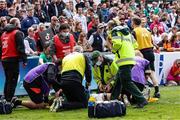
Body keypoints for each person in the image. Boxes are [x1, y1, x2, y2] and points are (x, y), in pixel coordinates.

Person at [110, 25, 148, 108]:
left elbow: (117, 44)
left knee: (126, 82)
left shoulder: (115, 32)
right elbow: (135, 45)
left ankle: (142, 99)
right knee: (118, 82)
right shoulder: (129, 34)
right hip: (130, 59)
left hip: (123, 60)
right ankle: (113, 100)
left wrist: (113, 50)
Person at [132, 17, 160, 98]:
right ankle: (157, 91)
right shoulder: (147, 30)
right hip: (150, 52)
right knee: (152, 72)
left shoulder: (134, 31)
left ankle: (144, 91)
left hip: (142, 53)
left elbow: (133, 43)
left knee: (142, 73)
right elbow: (152, 42)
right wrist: (157, 46)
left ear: (133, 23)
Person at [0, 18, 27, 102]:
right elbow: (20, 48)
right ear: (16, 24)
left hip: (4, 59)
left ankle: (6, 98)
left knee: (8, 79)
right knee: (13, 80)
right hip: (13, 59)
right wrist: (24, 59)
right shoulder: (17, 33)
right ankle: (9, 100)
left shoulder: (3, 34)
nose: (20, 24)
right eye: (19, 22)